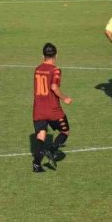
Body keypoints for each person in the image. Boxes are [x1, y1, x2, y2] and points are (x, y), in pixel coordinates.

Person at [31, 42, 73, 173]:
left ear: (42, 55)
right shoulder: (55, 70)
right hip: (53, 109)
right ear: (56, 55)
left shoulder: (37, 68)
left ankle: (37, 164)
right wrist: (64, 97)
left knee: (41, 135)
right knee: (65, 131)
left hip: (38, 109)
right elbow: (54, 87)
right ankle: (51, 150)